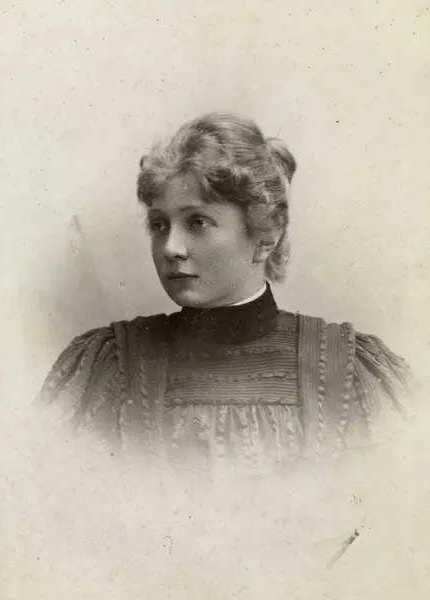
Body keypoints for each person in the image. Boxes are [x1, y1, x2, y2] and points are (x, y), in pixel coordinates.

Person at [38, 112, 413, 476]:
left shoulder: (347, 370)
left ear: (264, 238)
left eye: (197, 222)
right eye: (159, 225)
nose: (170, 247)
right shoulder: (109, 367)